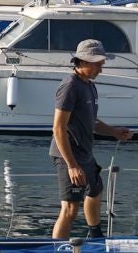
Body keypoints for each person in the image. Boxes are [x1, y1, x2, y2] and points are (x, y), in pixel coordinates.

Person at [51, 39, 133, 238]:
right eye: (98, 65)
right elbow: (58, 127)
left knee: (95, 190)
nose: (101, 70)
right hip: (69, 155)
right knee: (70, 208)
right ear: (84, 61)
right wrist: (71, 165)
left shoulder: (89, 86)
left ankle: (95, 235)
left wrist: (114, 132)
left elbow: (92, 122)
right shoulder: (70, 86)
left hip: (85, 153)